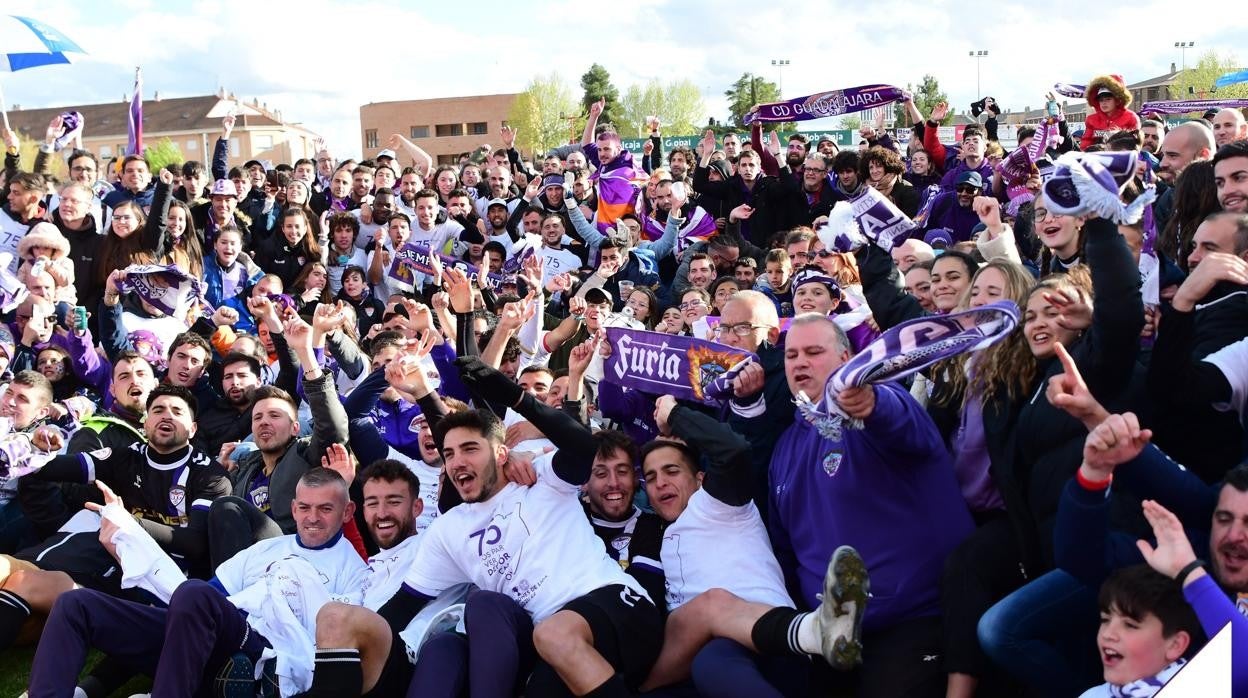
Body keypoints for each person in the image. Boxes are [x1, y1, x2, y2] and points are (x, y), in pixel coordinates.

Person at [764, 314, 974, 696]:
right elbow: (785, 549)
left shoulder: (880, 407)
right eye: (791, 355)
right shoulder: (784, 448)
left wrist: (870, 401)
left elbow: (900, 421)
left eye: (813, 352)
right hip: (827, 635)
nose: (799, 363)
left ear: (847, 358)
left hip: (912, 623)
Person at [25, 468, 366, 697]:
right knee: (76, 604)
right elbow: (196, 601)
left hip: (263, 650)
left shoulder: (355, 571)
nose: (312, 518)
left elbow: (333, 650)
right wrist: (126, 548)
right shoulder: (266, 549)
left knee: (194, 593)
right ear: (293, 509)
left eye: (325, 509)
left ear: (347, 512)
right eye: (305, 507)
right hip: (211, 632)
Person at [638, 395, 867, 697]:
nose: (660, 483)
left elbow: (733, 451)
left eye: (672, 471)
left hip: (767, 644)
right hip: (689, 659)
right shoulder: (660, 536)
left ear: (700, 479)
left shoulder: (717, 503)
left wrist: (674, 413)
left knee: (713, 644)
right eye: (651, 477)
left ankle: (814, 631)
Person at [0, 384, 230, 650]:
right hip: (102, 558)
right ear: (146, 423)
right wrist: (39, 450)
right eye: (158, 410)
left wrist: (130, 522)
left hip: (151, 580)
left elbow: (196, 544)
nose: (166, 415)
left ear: (192, 429)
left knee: (23, 583)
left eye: (177, 411)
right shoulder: (126, 455)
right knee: (13, 575)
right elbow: (56, 469)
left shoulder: (210, 475)